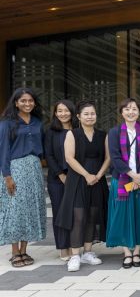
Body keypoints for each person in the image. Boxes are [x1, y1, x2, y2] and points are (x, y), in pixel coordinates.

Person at [58, 100, 111, 272]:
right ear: (79, 116)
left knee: (92, 216)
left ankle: (88, 252)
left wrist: (98, 175)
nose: (90, 116)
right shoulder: (72, 134)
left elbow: (108, 158)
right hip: (78, 180)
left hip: (97, 179)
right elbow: (69, 158)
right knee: (79, 216)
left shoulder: (103, 135)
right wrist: (87, 175)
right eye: (86, 114)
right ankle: (75, 255)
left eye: (93, 113)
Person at [0, 88, 47, 268]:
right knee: (14, 210)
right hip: (15, 168)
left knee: (30, 208)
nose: (27, 104)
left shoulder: (37, 122)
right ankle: (14, 252)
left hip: (34, 168)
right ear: (16, 102)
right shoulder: (7, 123)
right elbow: (3, 150)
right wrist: (7, 176)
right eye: (23, 101)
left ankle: (25, 249)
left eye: (30, 101)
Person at [106, 98, 140, 268]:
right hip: (122, 181)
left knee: (139, 215)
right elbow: (115, 157)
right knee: (123, 216)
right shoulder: (114, 132)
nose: (131, 112)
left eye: (134, 109)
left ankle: (137, 252)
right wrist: (132, 174)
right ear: (122, 113)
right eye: (127, 109)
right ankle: (127, 252)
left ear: (139, 112)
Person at [45, 99, 77, 261]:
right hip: (57, 179)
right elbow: (48, 156)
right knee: (59, 212)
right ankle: (63, 247)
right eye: (59, 111)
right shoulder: (51, 131)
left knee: (75, 212)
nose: (63, 114)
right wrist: (61, 175)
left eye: (66, 110)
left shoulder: (78, 130)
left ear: (72, 112)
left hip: (76, 177)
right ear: (55, 113)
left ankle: (74, 245)